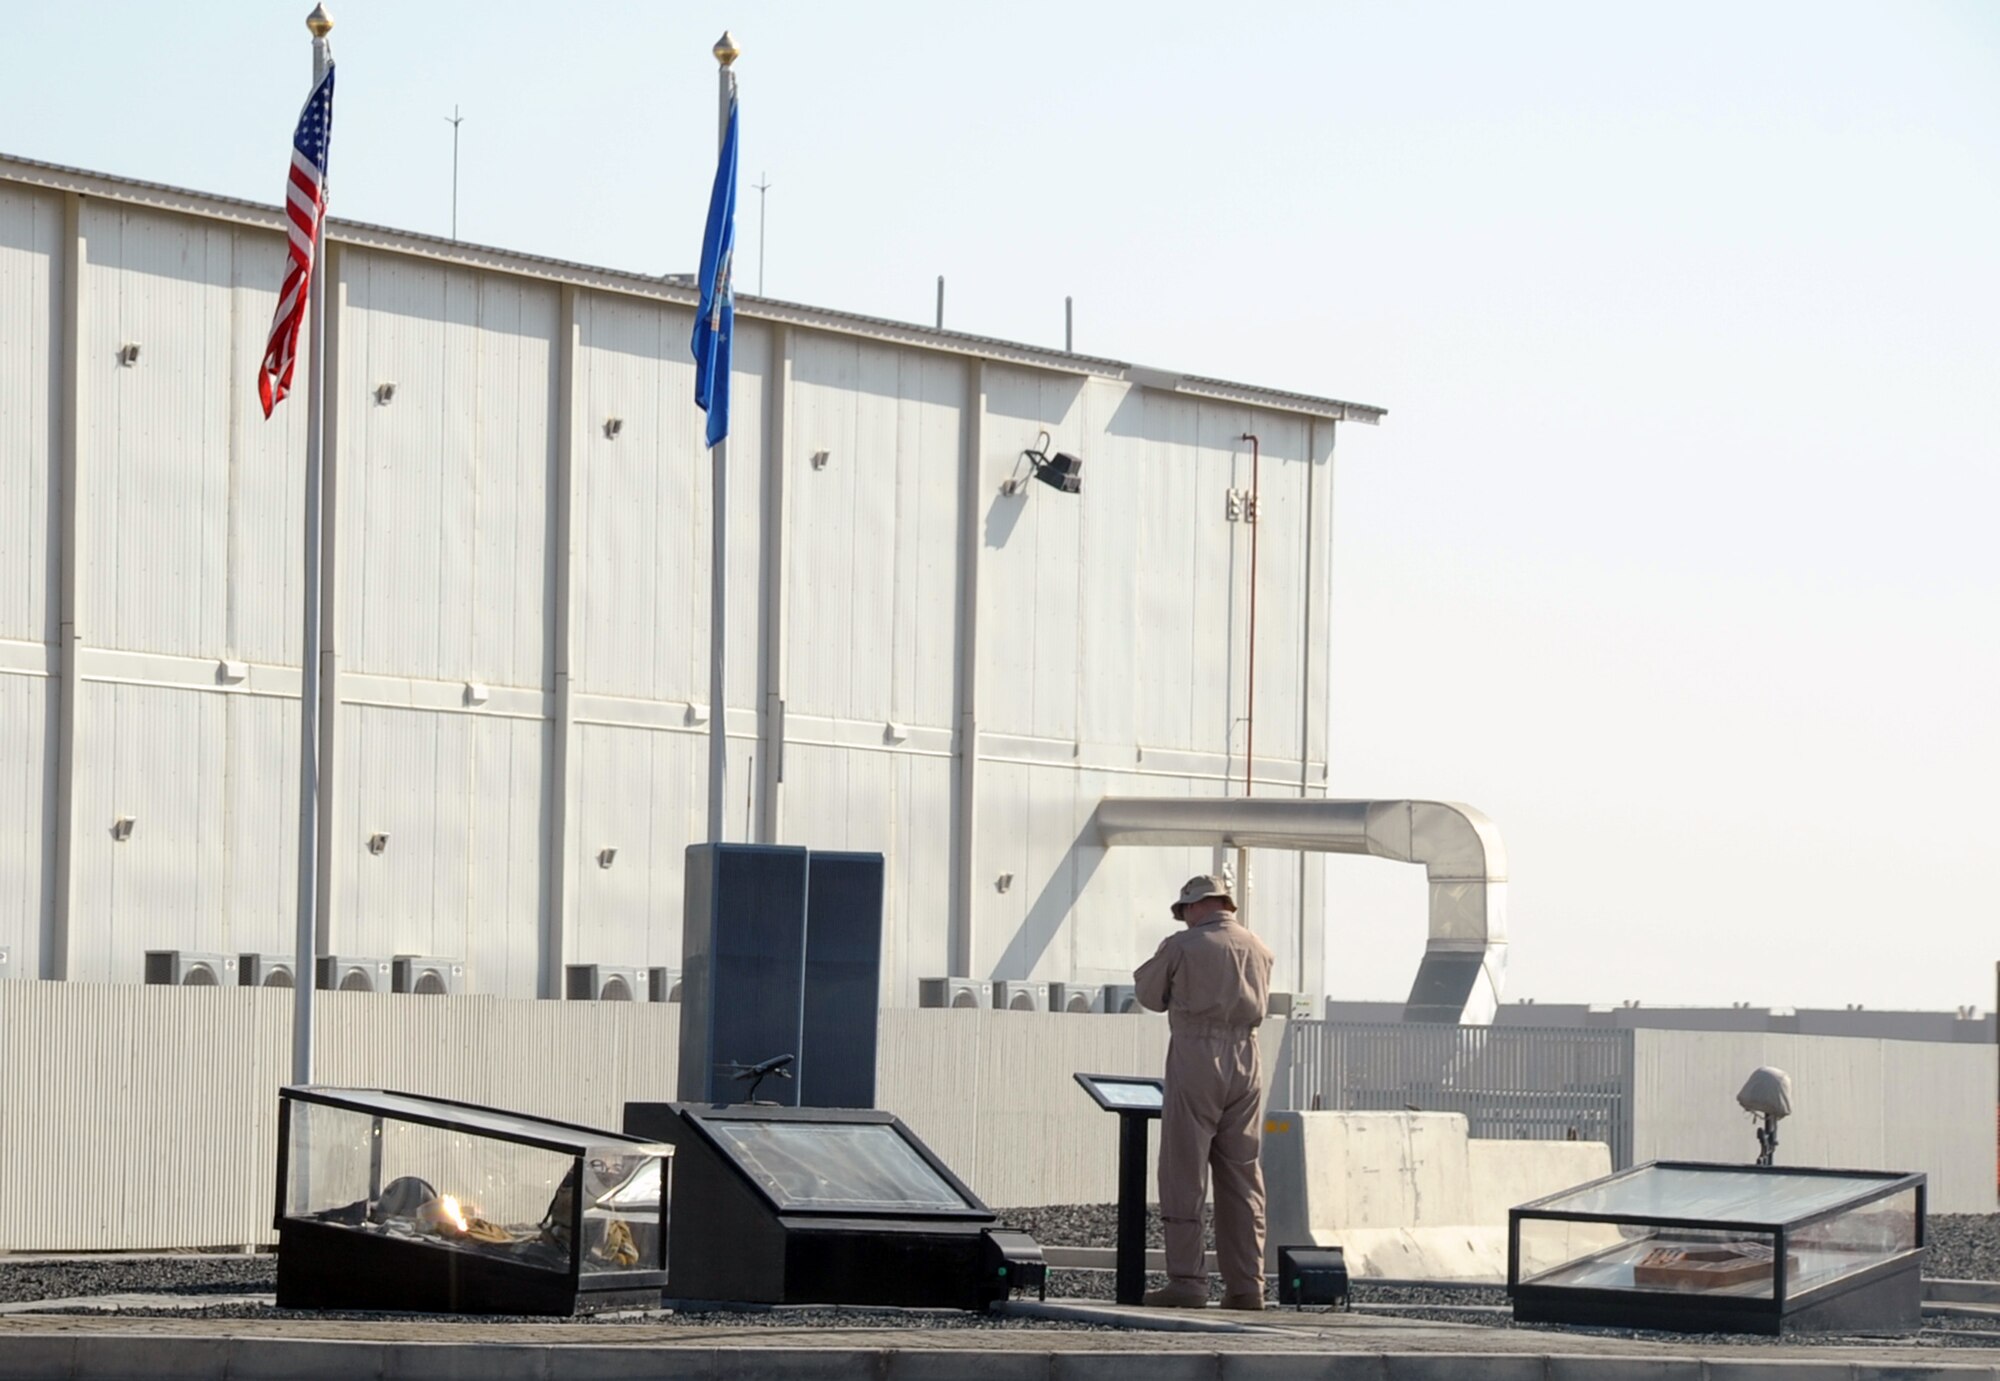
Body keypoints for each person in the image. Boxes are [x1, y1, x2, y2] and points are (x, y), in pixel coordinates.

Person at [1133, 874, 1274, 1310]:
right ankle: (1247, 1286)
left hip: (1198, 1054)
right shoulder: (1259, 947)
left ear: (1194, 906)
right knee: (1242, 1175)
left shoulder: (1183, 946)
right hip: (1247, 1057)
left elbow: (1150, 996)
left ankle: (1188, 1282)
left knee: (1183, 1169)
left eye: (1184, 910)